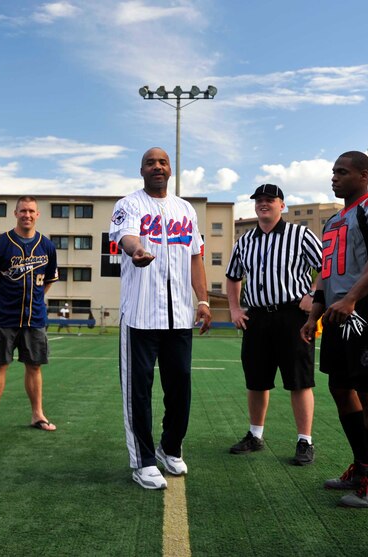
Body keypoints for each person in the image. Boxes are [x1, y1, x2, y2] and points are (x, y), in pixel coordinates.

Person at [299, 152, 368, 508]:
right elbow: (325, 273)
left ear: (364, 174)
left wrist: (353, 298)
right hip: (336, 309)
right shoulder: (332, 221)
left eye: (342, 172)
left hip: (366, 305)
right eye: (333, 172)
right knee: (340, 387)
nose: (334, 177)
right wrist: (314, 315)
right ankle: (361, 466)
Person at [109, 147, 212, 490]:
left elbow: (196, 256)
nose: (157, 166)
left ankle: (169, 447)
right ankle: (142, 461)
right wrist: (136, 250)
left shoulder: (186, 209)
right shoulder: (129, 203)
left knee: (180, 385)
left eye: (163, 162)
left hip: (180, 315)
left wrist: (204, 300)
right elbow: (127, 236)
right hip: (140, 314)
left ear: (170, 170)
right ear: (142, 170)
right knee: (138, 391)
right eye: (151, 162)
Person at [225, 184, 323, 465]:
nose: (263, 204)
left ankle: (305, 440)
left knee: (299, 380)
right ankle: (255, 435)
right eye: (259, 200)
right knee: (256, 379)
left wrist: (313, 295)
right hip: (257, 316)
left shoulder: (300, 235)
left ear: (282, 205)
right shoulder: (244, 241)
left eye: (270, 200)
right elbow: (233, 276)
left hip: (293, 315)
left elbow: (325, 266)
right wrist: (234, 308)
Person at [0, 196, 59, 435]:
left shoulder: (47, 246)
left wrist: (35, 300)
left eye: (32, 211)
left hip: (35, 318)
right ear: (15, 213)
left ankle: (38, 414)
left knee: (34, 366)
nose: (27, 215)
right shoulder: (0, 244)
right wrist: (1, 301)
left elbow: (49, 281)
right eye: (23, 211)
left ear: (38, 215)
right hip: (4, 317)